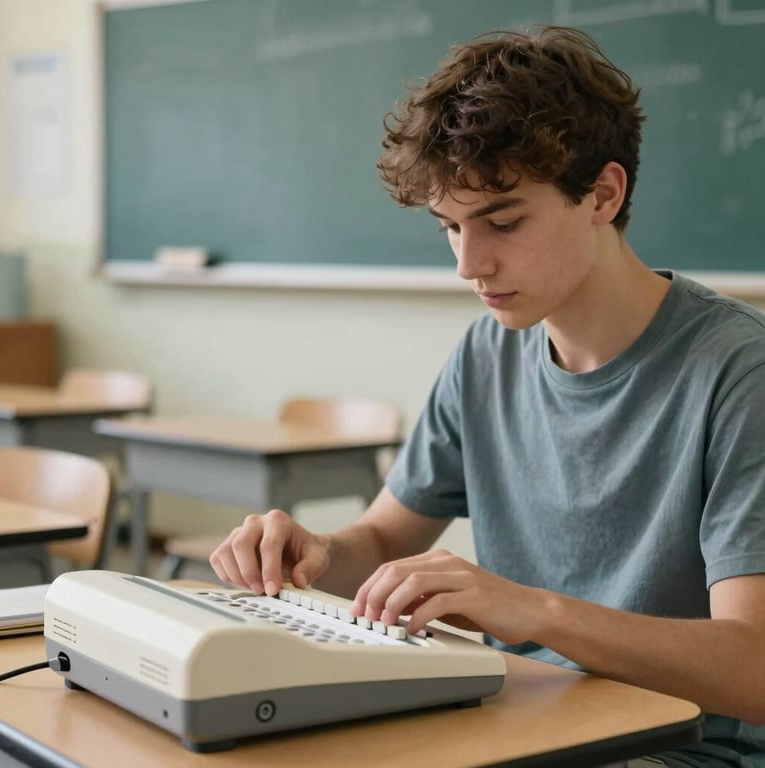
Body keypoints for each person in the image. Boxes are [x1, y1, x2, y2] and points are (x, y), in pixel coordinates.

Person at [210, 26, 765, 768]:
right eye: (449, 227)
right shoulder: (485, 353)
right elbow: (380, 541)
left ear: (603, 194)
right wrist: (316, 553)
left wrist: (530, 608)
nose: (470, 264)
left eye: (503, 221)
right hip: (517, 725)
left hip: (679, 749)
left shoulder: (738, 372)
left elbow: (754, 669)